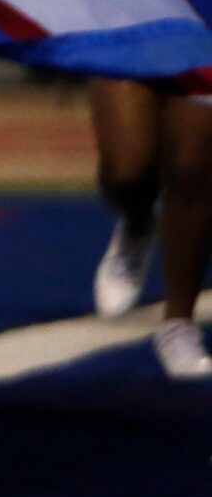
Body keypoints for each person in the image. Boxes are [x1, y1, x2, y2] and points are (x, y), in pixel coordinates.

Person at [88, 76, 212, 378]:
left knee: (193, 166)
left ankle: (178, 321)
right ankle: (138, 222)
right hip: (128, 31)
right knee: (126, 171)